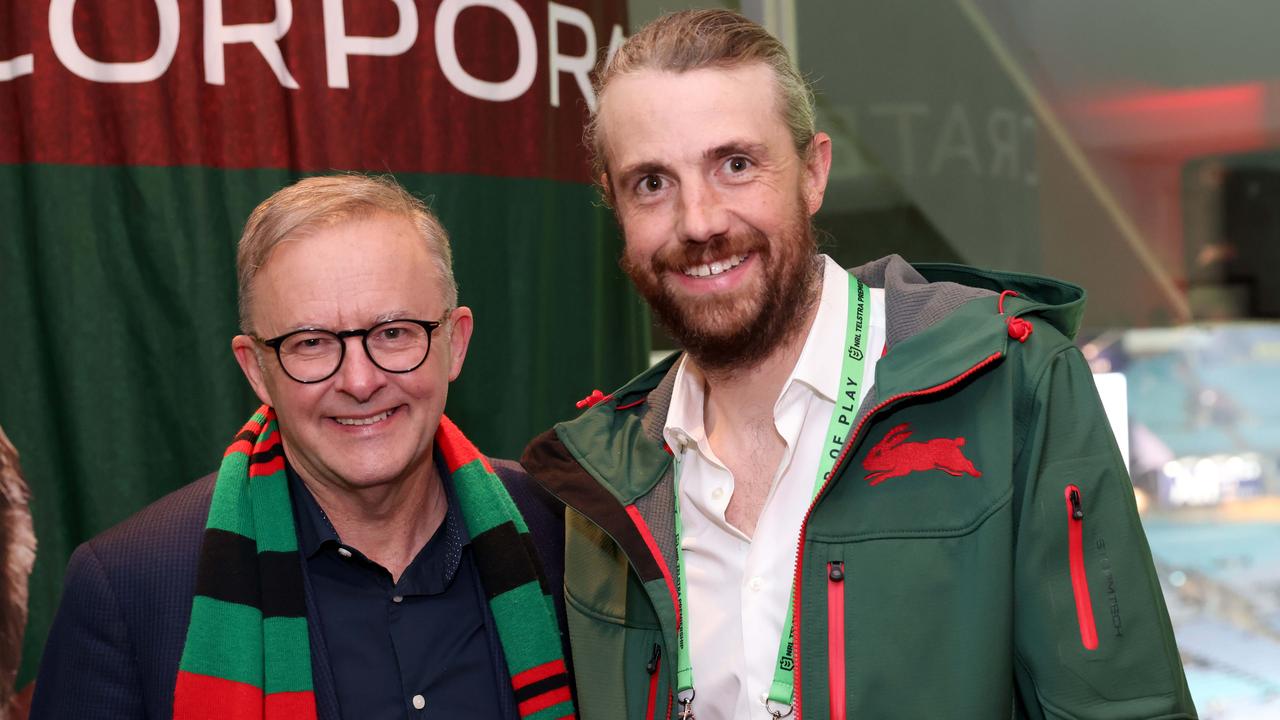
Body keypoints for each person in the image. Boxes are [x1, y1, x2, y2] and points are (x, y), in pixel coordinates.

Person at [522, 10, 1197, 720]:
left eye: (736, 165)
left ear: (813, 172)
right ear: (616, 206)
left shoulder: (1010, 387)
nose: (699, 220)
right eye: (652, 183)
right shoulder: (604, 478)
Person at [32, 175, 574, 719]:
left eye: (393, 332)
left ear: (454, 343)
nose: (360, 382)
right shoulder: (129, 588)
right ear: (256, 370)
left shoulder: (570, 542)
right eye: (311, 343)